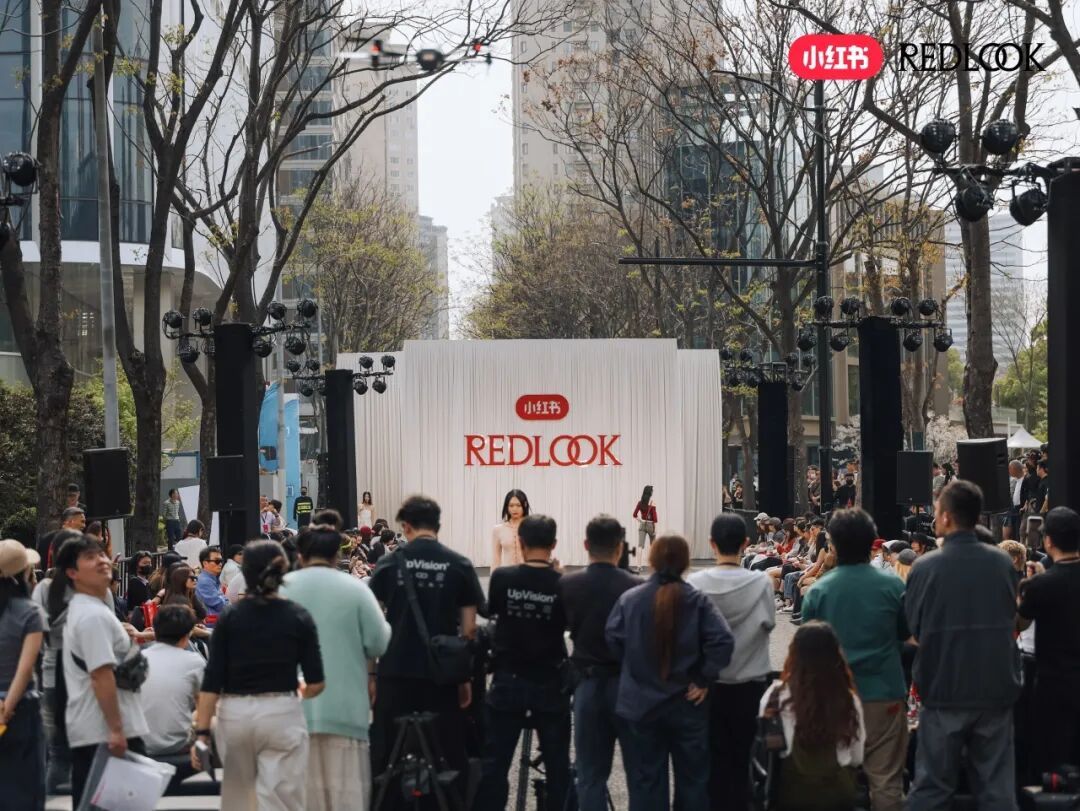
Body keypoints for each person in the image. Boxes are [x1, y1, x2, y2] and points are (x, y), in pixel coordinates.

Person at [905, 479, 1022, 809]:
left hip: (944, 689)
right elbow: (1011, 616)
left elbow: (914, 628)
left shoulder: (925, 567)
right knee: (997, 790)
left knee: (932, 788)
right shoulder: (1002, 563)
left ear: (946, 517)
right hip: (995, 688)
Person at [368, 495, 484, 806]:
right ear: (438, 526)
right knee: (447, 750)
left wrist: (371, 675)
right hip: (442, 675)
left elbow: (373, 626)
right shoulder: (459, 565)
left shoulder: (388, 564)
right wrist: (464, 679)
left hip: (395, 671)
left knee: (387, 751)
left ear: (405, 526)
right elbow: (469, 631)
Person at [192, 539, 325, 809]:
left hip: (235, 714)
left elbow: (212, 680)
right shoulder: (298, 616)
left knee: (239, 798)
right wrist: (298, 691)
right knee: (283, 798)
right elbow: (316, 682)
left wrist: (202, 733)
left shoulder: (230, 618)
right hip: (281, 711)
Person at [606, 535, 734, 811]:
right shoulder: (697, 600)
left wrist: (633, 668)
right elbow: (723, 640)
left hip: (641, 703)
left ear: (651, 560)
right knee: (693, 781)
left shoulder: (630, 599)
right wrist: (703, 678)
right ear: (685, 563)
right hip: (687, 703)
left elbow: (613, 639)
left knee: (646, 782)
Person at [800, 509, 908, 811]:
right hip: (883, 694)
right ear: (872, 543)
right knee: (886, 782)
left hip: (832, 697)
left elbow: (806, 651)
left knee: (832, 781)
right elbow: (906, 633)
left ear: (833, 545)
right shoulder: (893, 586)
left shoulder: (819, 591)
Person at [282, 524, 391, 811]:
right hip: (346, 711)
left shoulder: (280, 589)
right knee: (346, 798)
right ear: (336, 556)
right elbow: (379, 642)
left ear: (300, 555)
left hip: (290, 712)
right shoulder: (356, 590)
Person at [475, 515, 571, 811]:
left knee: (494, 764)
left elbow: (493, 612)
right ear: (554, 544)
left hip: (508, 680)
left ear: (521, 542)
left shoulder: (503, 578)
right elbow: (567, 624)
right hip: (550, 682)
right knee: (558, 768)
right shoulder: (564, 584)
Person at [688, 514, 775, 811]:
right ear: (745, 543)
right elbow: (769, 623)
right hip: (750, 682)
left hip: (708, 685)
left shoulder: (695, 584)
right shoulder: (761, 583)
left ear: (711, 544)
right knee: (744, 759)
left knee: (712, 759)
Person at [59, 535, 150, 805]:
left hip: (100, 731)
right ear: (72, 573)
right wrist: (116, 729)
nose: (101, 561)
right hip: (104, 733)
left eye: (101, 554)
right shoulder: (92, 616)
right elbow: (100, 675)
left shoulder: (92, 609)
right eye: (90, 557)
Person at [558, 515, 641, 810]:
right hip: (628, 686)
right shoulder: (636, 587)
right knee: (639, 773)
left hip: (587, 684)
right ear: (620, 547)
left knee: (590, 774)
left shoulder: (568, 584)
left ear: (585, 545)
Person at [758, 622, 866, 811]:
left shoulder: (775, 697)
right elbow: (857, 757)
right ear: (835, 655)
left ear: (794, 653)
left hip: (789, 794)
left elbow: (764, 751)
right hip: (837, 794)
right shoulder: (847, 699)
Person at [1017, 506, 1080, 775]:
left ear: (1049, 541)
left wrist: (1027, 586)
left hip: (1053, 682)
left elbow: (1021, 620)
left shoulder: (1041, 586)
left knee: (1052, 755)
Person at [0, 539, 45, 808]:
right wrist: (7, 708)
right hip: (21, 707)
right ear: (24, 573)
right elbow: (25, 668)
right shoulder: (30, 612)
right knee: (25, 787)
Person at [138, 604, 205, 757]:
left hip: (138, 745)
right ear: (187, 635)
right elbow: (204, 707)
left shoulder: (138, 658)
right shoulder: (194, 662)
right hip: (177, 745)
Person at [492, 488, 529, 567]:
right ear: (507, 507)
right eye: (511, 505)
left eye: (518, 505)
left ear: (525, 505)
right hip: (506, 574)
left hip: (528, 574)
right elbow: (496, 559)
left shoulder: (532, 528)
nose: (514, 509)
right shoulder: (498, 529)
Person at [194, 546, 227, 616]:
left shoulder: (212, 579)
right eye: (217, 561)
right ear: (205, 563)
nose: (220, 564)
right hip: (212, 620)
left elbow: (224, 600)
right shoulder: (205, 581)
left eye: (221, 561)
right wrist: (223, 599)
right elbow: (220, 605)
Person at [126, 551, 155, 617]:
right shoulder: (135, 582)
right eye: (144, 563)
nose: (148, 565)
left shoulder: (145, 582)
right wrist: (159, 596)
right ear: (136, 565)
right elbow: (147, 604)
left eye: (149, 563)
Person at [632, 485, 658, 554]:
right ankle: (652, 561)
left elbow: (634, 515)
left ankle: (638, 561)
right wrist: (655, 529)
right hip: (650, 525)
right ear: (650, 493)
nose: (652, 492)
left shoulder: (640, 503)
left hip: (642, 524)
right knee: (653, 546)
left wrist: (641, 521)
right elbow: (655, 518)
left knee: (640, 546)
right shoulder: (652, 503)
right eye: (652, 491)